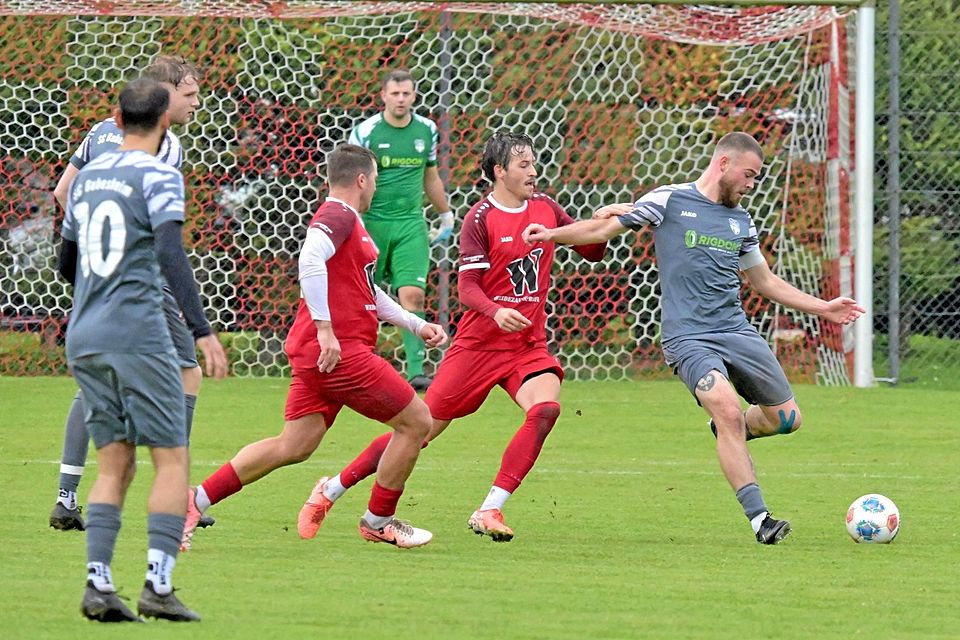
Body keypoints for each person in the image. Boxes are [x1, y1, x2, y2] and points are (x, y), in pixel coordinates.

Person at [521, 131, 865, 544]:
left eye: (756, 178)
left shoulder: (741, 221)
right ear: (724, 163)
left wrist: (824, 307)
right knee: (727, 409)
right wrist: (551, 235)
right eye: (749, 175)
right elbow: (601, 230)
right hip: (688, 337)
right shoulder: (669, 200)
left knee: (787, 420)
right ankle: (761, 520)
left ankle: (729, 430)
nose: (751, 184)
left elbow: (764, 281)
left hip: (736, 330)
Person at [296, 129, 627, 542]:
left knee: (545, 409)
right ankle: (332, 489)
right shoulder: (480, 218)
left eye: (533, 162)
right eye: (524, 164)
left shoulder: (545, 207)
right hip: (477, 348)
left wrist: (602, 222)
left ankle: (490, 509)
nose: (533, 171)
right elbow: (468, 289)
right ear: (499, 171)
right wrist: (497, 310)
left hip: (527, 345)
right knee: (419, 430)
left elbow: (591, 249)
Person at [179, 143, 448, 551]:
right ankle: (379, 520)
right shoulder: (339, 215)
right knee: (417, 422)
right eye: (375, 179)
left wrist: (415, 323)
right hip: (340, 353)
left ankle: (195, 500)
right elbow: (309, 260)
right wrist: (326, 329)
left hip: (316, 353)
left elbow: (367, 292)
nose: (376, 187)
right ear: (362, 180)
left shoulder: (349, 222)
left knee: (294, 445)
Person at [60, 77, 228, 622]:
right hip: (137, 331)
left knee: (114, 464)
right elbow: (171, 253)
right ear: (162, 121)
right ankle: (158, 584)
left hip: (85, 333)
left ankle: (98, 585)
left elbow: (66, 261)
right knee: (171, 458)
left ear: (117, 118)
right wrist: (201, 329)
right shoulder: (160, 173)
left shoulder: (87, 179)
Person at [348, 68, 454, 391]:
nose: (401, 99)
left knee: (413, 295)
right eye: (395, 93)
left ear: (414, 95)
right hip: (372, 223)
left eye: (406, 93)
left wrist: (446, 215)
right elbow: (352, 180)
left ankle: (416, 372)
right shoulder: (365, 132)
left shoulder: (426, 130)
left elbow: (431, 176)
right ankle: (358, 364)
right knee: (364, 297)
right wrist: (351, 219)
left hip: (410, 224)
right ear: (383, 95)